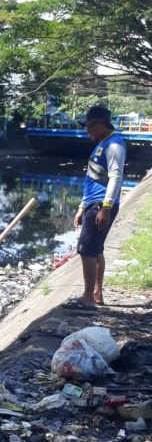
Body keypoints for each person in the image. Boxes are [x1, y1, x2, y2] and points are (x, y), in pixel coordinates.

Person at [68, 105, 127, 311]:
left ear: (101, 124)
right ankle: (96, 293)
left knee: (86, 250)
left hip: (100, 205)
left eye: (90, 126)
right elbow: (93, 178)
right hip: (93, 204)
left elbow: (115, 177)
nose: (87, 131)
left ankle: (87, 298)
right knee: (96, 249)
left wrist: (106, 207)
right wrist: (82, 207)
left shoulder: (114, 145)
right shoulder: (102, 143)